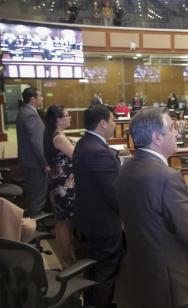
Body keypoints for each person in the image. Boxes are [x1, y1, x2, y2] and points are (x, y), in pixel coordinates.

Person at [114, 108, 188, 308]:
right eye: (171, 128)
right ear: (157, 138)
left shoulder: (126, 168)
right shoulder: (167, 178)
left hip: (141, 273)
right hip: (171, 284)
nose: (177, 133)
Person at [73, 104, 121, 308]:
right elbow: (114, 195)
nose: (115, 124)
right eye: (112, 120)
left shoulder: (84, 143)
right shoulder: (99, 152)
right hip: (104, 224)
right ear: (102, 123)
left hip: (89, 220)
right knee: (106, 275)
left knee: (93, 270)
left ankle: (91, 303)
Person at [43, 105, 75, 268]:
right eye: (67, 115)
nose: (70, 117)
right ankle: (67, 261)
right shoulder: (59, 138)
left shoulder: (54, 134)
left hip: (59, 182)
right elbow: (76, 156)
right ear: (58, 120)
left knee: (62, 223)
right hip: (63, 187)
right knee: (63, 223)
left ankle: (66, 258)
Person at [16, 87, 49, 217]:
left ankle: (33, 223)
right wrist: (45, 163)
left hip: (29, 161)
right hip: (35, 163)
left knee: (33, 194)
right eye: (40, 96)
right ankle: (35, 230)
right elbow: (37, 142)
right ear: (33, 99)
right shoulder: (30, 114)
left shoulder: (23, 111)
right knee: (37, 197)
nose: (42, 98)